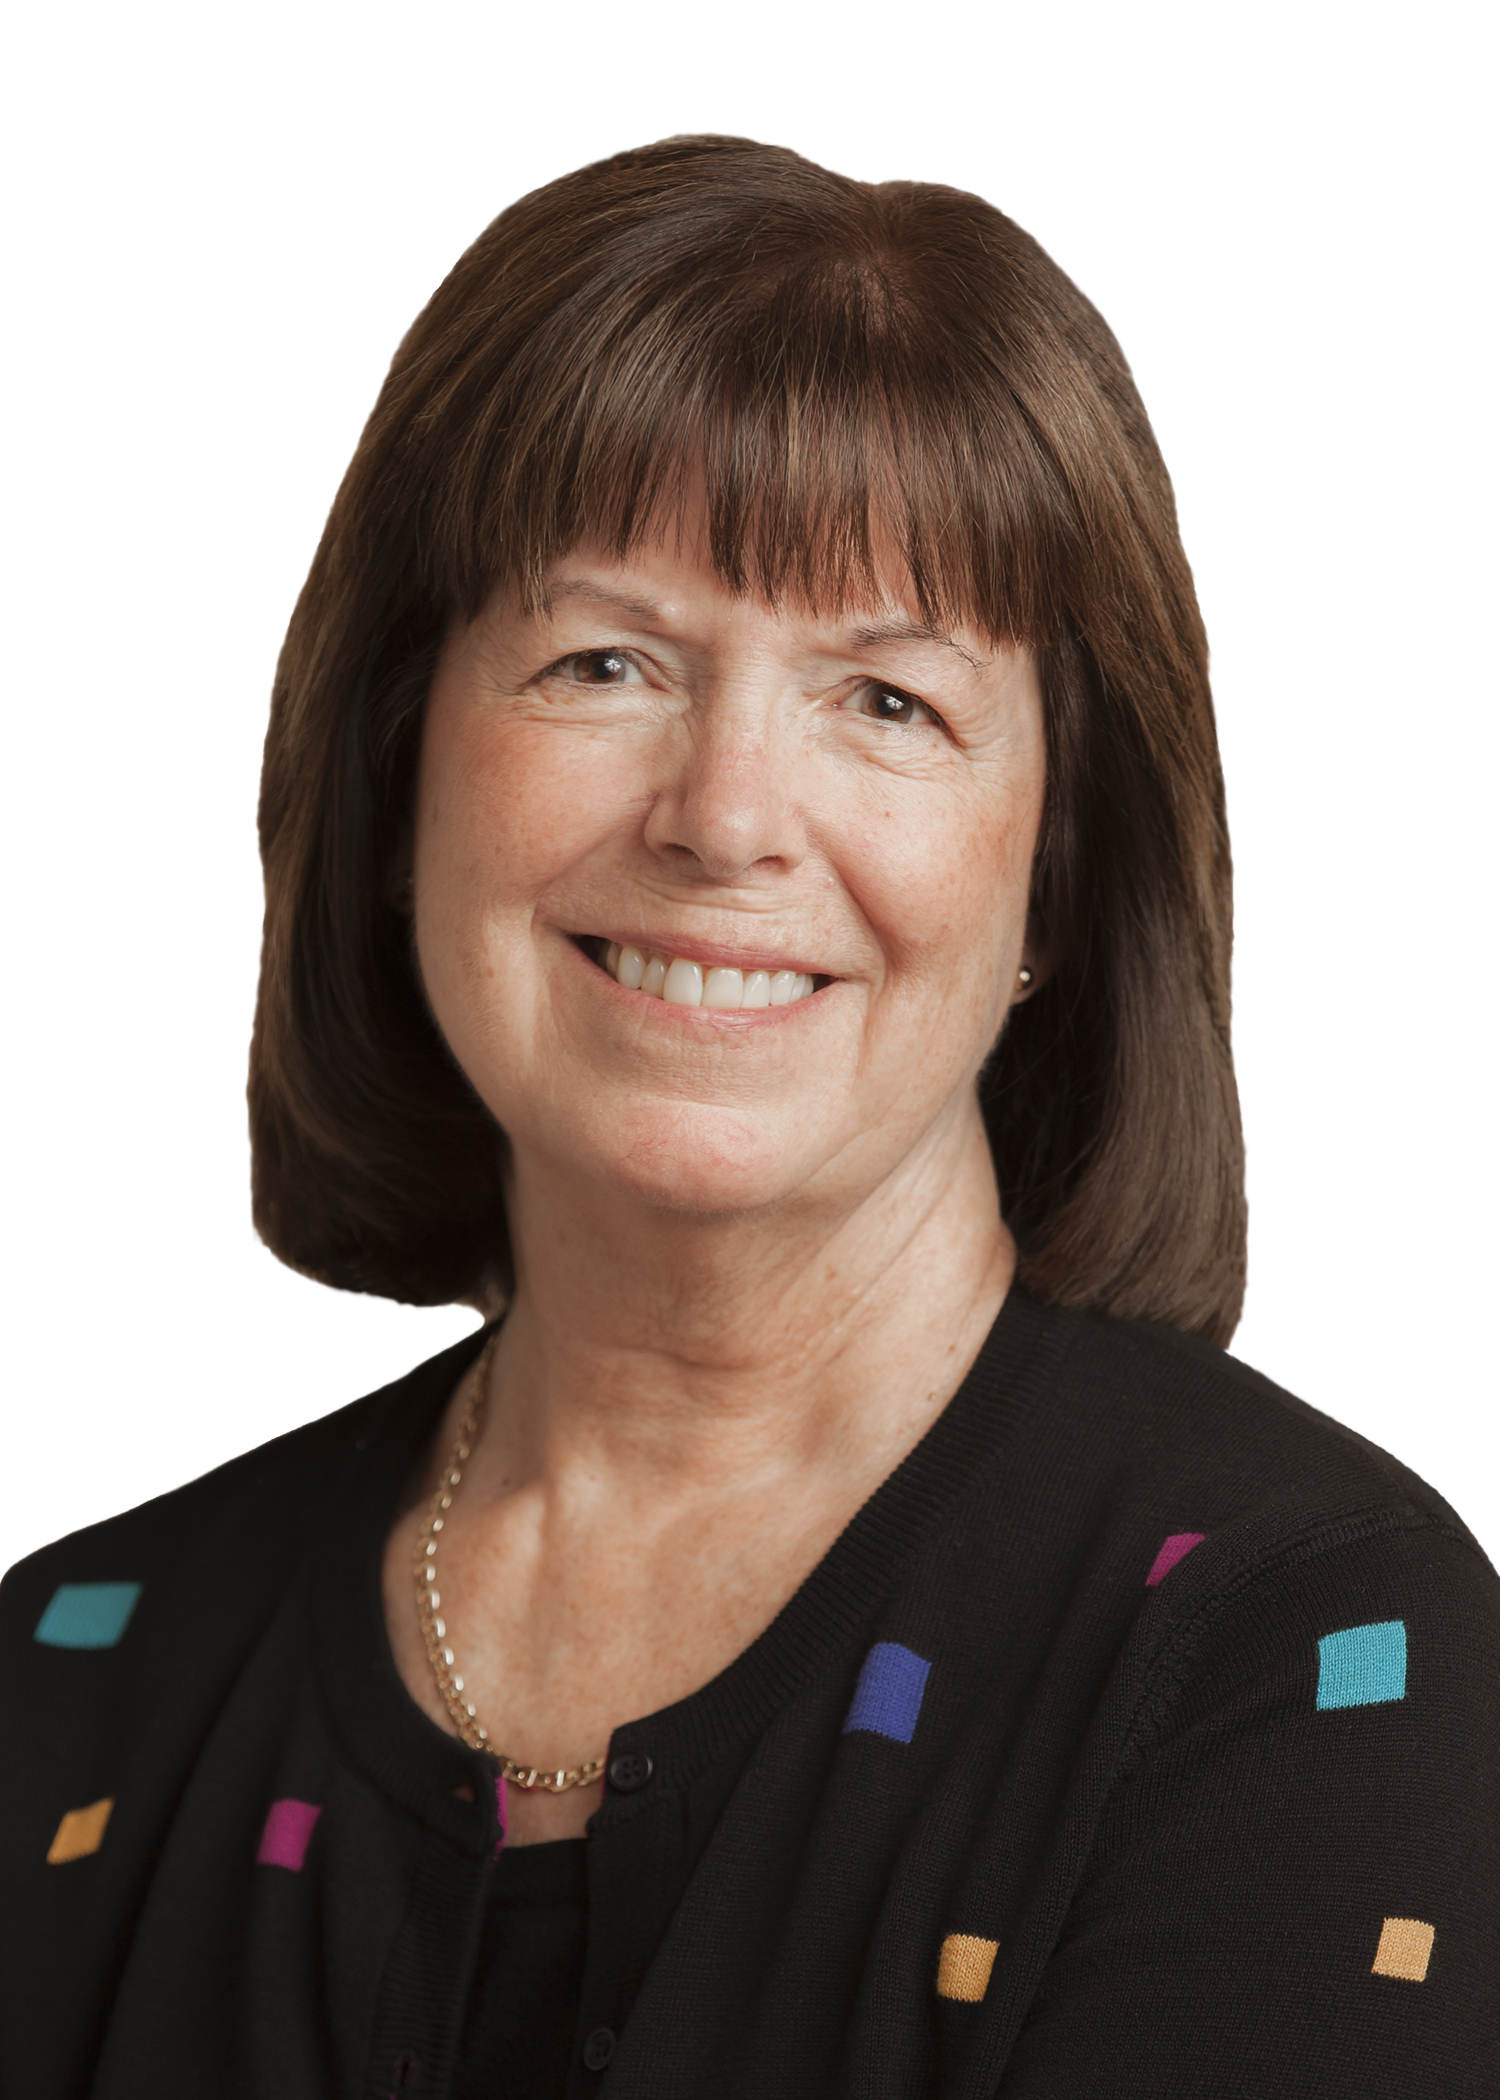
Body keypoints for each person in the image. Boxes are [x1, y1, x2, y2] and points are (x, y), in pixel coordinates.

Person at [2, 134, 1495, 2099]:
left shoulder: (1303, 1658)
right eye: (600, 660)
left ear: (1053, 872)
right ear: (397, 775)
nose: (722, 816)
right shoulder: (72, 1682)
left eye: (886, 702)